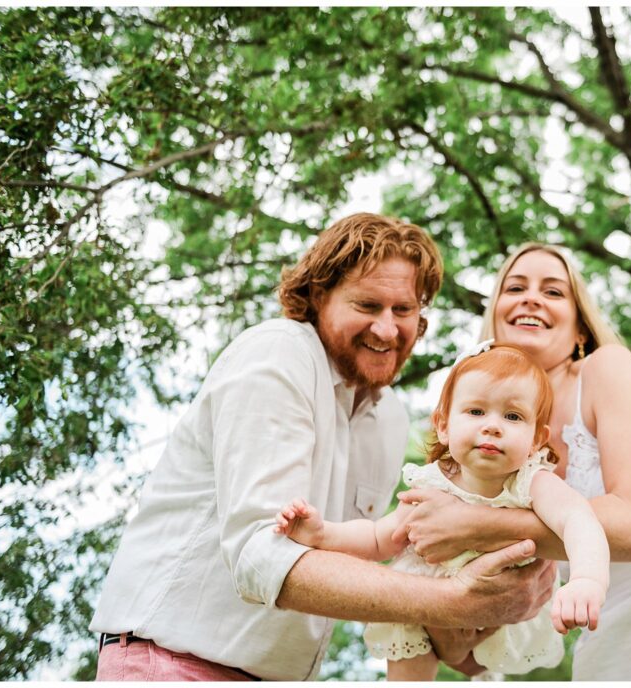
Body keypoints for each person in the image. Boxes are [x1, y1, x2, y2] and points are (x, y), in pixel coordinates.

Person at [88, 215, 557, 681]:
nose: (388, 330)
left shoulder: (390, 416)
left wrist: (478, 612)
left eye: (404, 310)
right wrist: (455, 599)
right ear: (318, 296)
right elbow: (261, 557)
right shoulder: (278, 354)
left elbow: (379, 559)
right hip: (173, 663)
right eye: (368, 305)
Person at [394, 243, 631, 680]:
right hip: (603, 641)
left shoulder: (604, 369)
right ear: (496, 322)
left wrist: (475, 524)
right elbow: (470, 650)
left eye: (554, 292)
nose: (531, 298)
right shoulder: (489, 451)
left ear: (580, 330)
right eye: (515, 287)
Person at [274, 343, 609, 680]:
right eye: (476, 412)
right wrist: (322, 533)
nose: (493, 426)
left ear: (537, 438)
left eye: (513, 416)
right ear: (444, 425)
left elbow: (578, 519)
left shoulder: (532, 482)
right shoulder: (433, 485)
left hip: (502, 604)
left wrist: (587, 579)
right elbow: (379, 538)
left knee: (487, 675)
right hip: (421, 605)